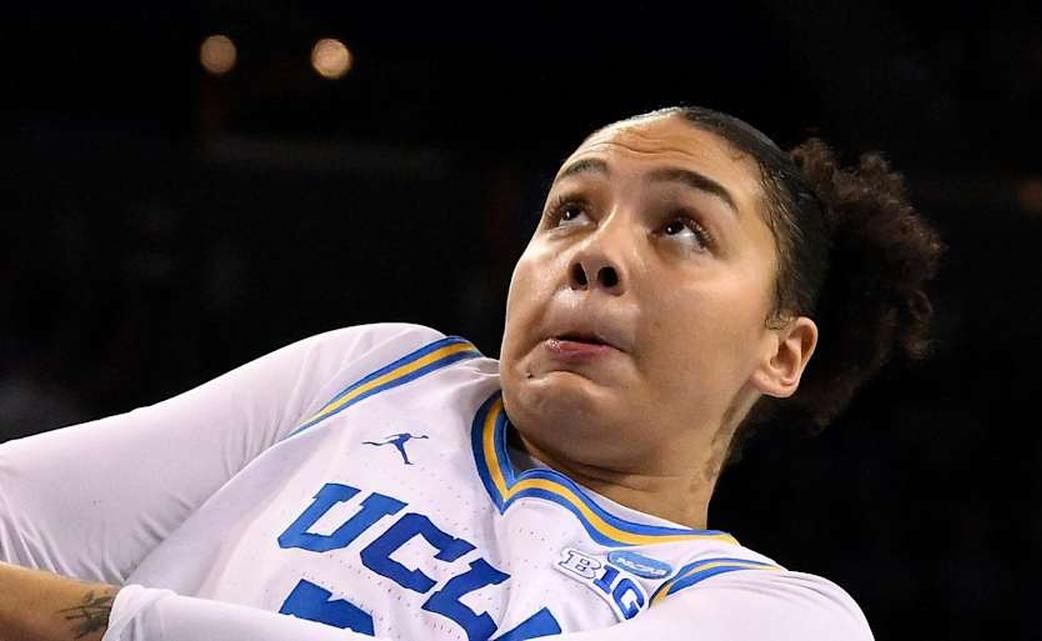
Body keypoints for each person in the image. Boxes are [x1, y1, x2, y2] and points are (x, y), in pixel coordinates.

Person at [0, 106, 943, 641]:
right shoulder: (382, 371)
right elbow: (21, 516)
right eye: (570, 211)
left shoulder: (778, 617)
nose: (596, 255)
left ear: (781, 351)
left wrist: (101, 627)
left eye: (682, 228)